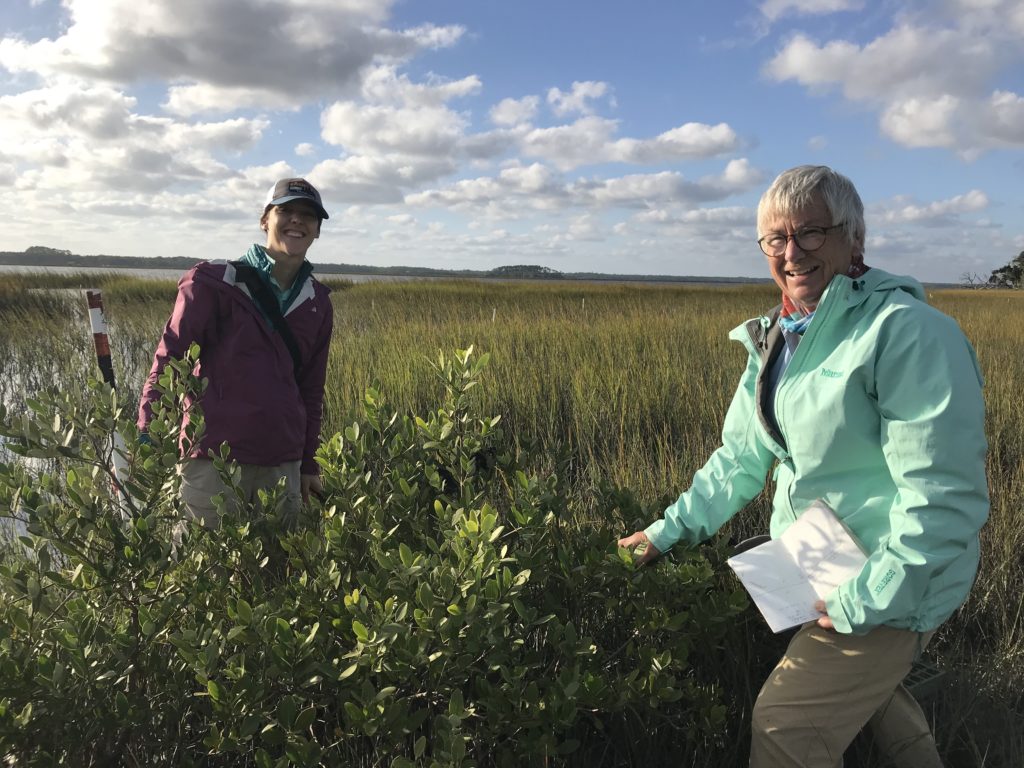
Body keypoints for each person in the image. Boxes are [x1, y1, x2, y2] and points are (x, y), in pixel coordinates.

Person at [618, 165, 988, 767]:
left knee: (787, 724)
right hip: (816, 566)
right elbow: (740, 458)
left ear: (854, 240)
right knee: (873, 696)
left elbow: (942, 497)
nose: (792, 252)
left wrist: (863, 602)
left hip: (887, 579)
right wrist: (664, 534)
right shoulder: (780, 338)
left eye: (812, 232)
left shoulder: (908, 334)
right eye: (775, 239)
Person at [138, 177, 334, 532]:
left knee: (278, 574)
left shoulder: (317, 302)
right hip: (213, 459)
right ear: (265, 220)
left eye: (307, 215)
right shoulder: (212, 282)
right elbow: (169, 361)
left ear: (317, 230)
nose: (296, 221)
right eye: (285, 210)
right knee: (203, 575)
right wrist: (147, 432)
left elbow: (310, 391)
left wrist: (309, 463)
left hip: (282, 462)